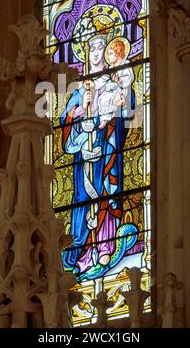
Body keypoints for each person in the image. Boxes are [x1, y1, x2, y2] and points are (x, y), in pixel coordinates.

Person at [61, 33, 135, 276]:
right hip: (84, 153)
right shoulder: (80, 90)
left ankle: (105, 245)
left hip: (106, 148)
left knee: (105, 192)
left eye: (100, 46)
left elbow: (129, 108)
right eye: (91, 47)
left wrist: (118, 104)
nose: (96, 52)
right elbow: (66, 121)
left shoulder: (114, 81)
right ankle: (82, 250)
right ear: (85, 51)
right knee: (84, 198)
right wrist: (82, 110)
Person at [98, 38, 134, 129]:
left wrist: (119, 80)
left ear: (118, 53)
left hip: (123, 89)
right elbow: (106, 80)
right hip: (113, 90)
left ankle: (123, 104)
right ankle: (104, 119)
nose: (108, 57)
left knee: (116, 98)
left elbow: (129, 78)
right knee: (102, 99)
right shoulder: (111, 67)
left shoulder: (126, 63)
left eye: (110, 54)